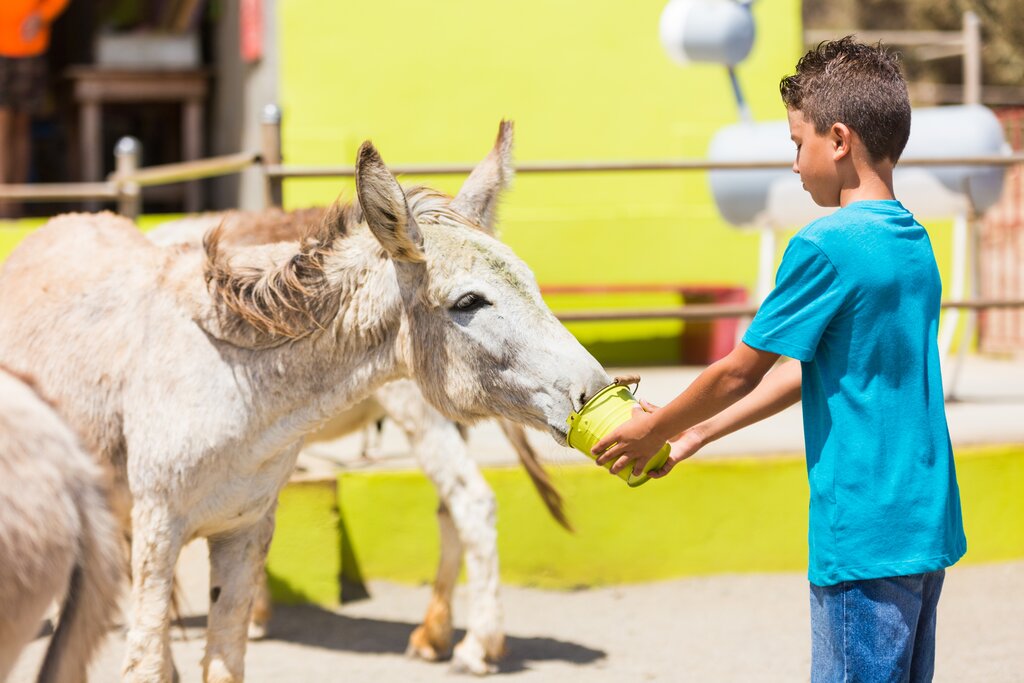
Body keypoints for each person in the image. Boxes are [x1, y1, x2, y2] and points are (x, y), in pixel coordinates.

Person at [592, 37, 966, 682]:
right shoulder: (913, 240)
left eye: (798, 144)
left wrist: (653, 428)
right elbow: (818, 369)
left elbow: (741, 369)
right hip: (922, 527)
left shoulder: (826, 244)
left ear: (839, 140)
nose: (794, 165)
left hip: (862, 537)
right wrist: (698, 430)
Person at [0, 0, 69, 217]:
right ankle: (2, 203)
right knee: (1, 127)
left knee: (21, 128)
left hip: (28, 47)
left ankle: (15, 204)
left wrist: (42, 15)